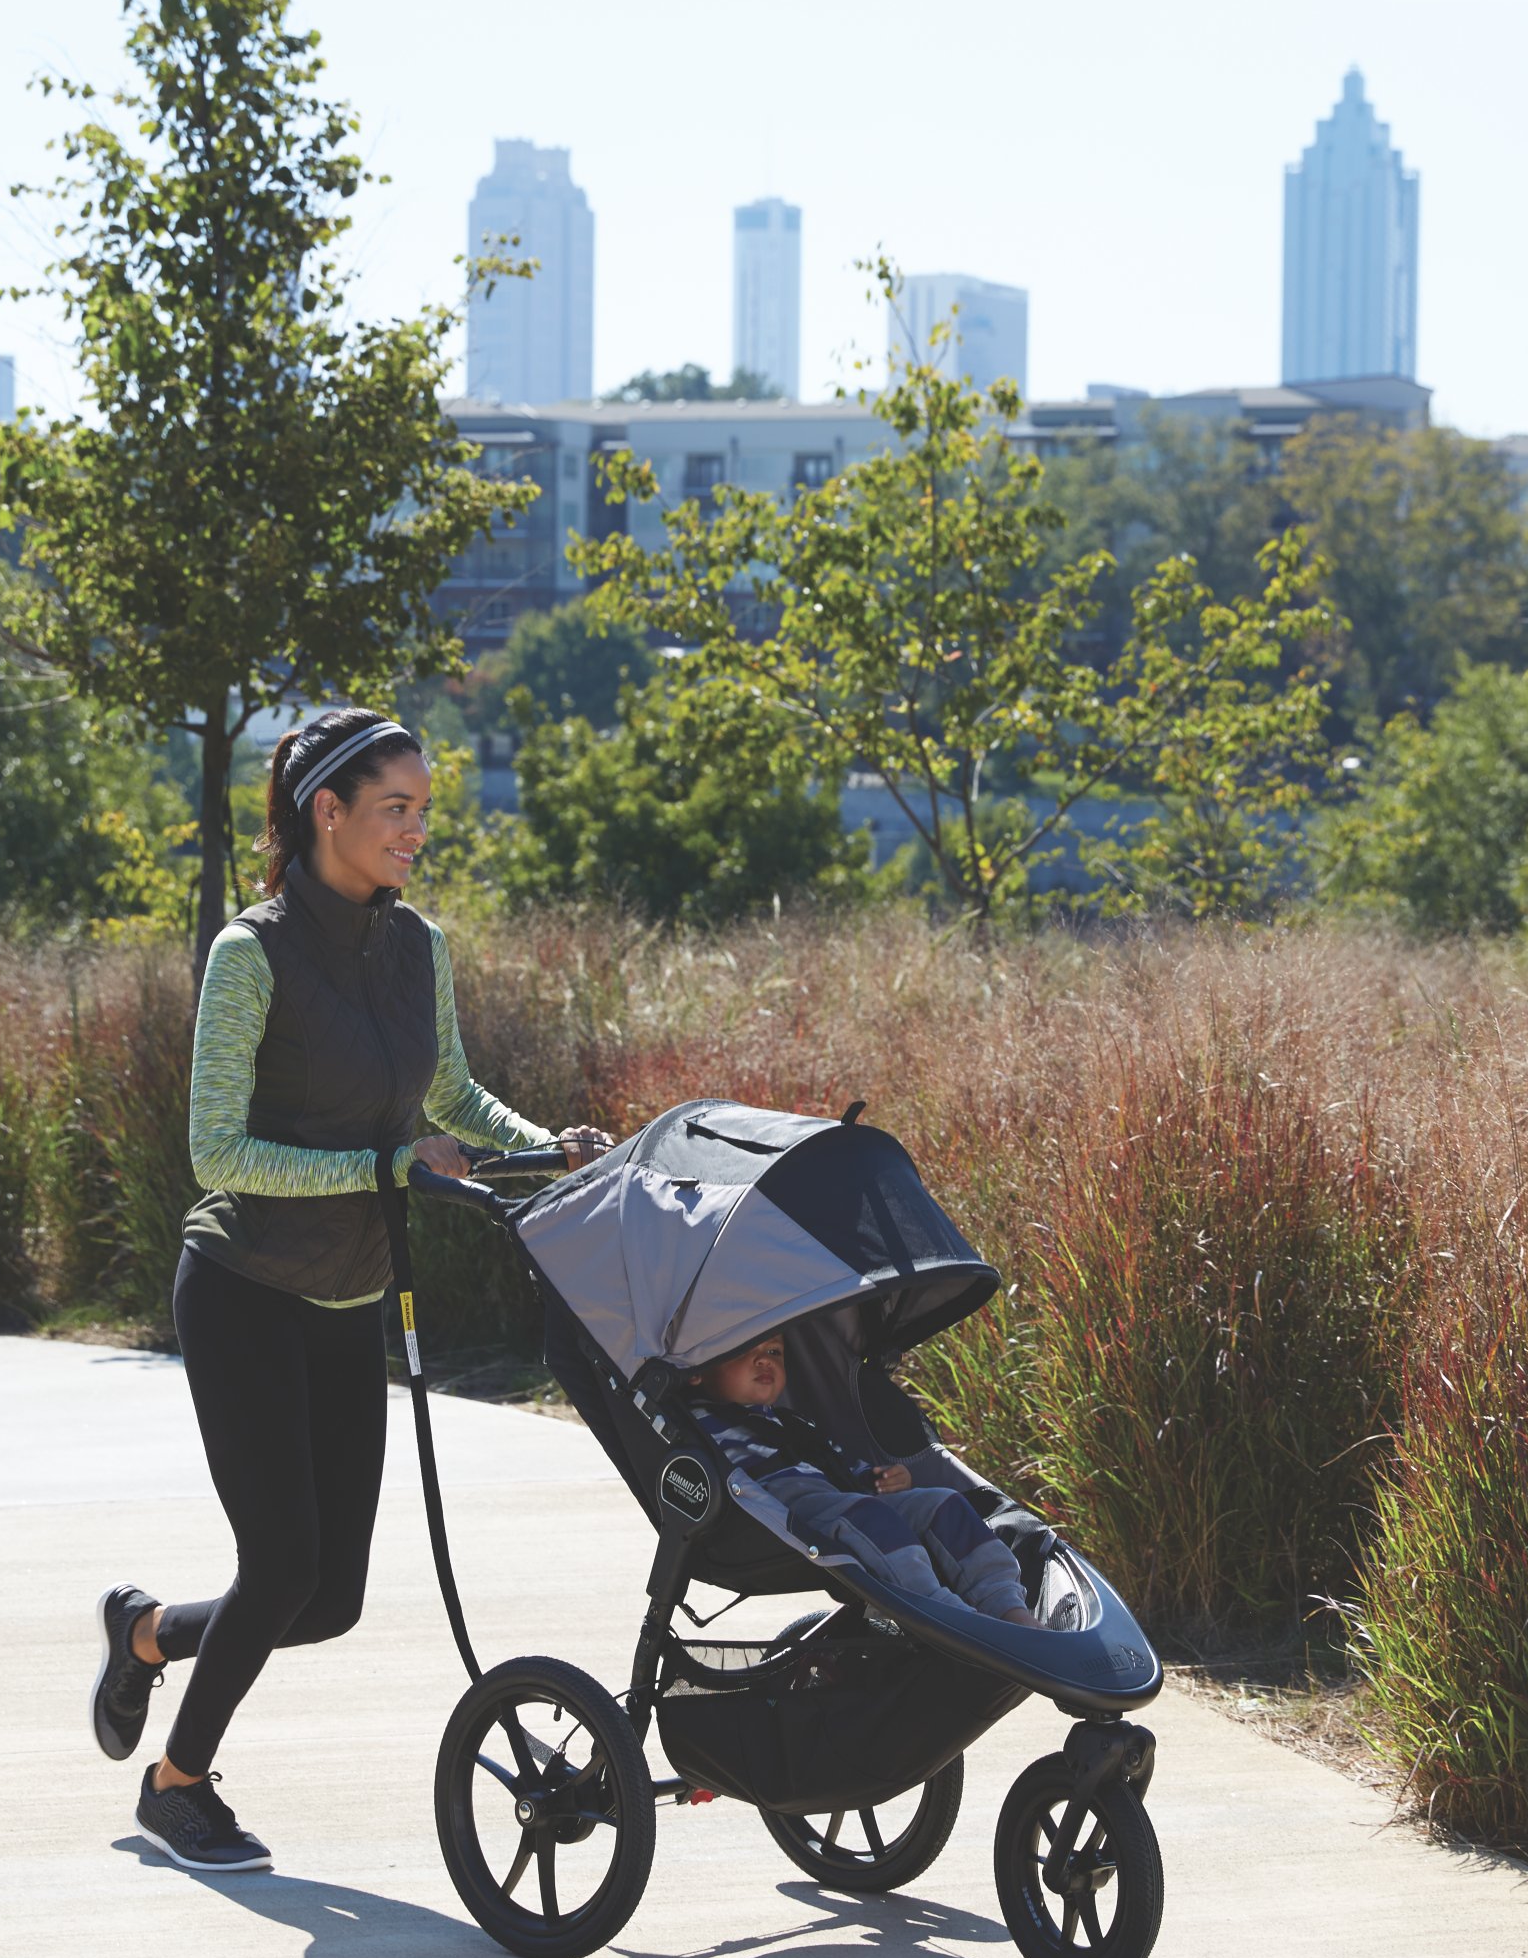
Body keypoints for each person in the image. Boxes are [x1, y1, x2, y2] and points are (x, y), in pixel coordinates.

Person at [86, 707, 613, 1873]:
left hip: (348, 1299)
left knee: (327, 1603)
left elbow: (456, 1099)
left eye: (424, 809)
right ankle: (176, 1788)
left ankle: (145, 1634)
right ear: (327, 812)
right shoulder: (250, 954)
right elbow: (215, 1152)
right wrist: (378, 1168)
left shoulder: (415, 944)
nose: (417, 831)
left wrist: (551, 1146)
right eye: (395, 809)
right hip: (241, 1289)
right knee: (281, 1564)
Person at [684, 1332, 1044, 1628]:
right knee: (870, 1517)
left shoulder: (793, 1423)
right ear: (697, 1371)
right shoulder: (700, 1423)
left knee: (943, 1502)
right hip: (781, 1511)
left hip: (840, 1499)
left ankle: (1008, 1607)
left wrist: (885, 1479)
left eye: (775, 1351)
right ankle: (950, 1617)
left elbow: (840, 1464)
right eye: (745, 1351)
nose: (765, 1360)